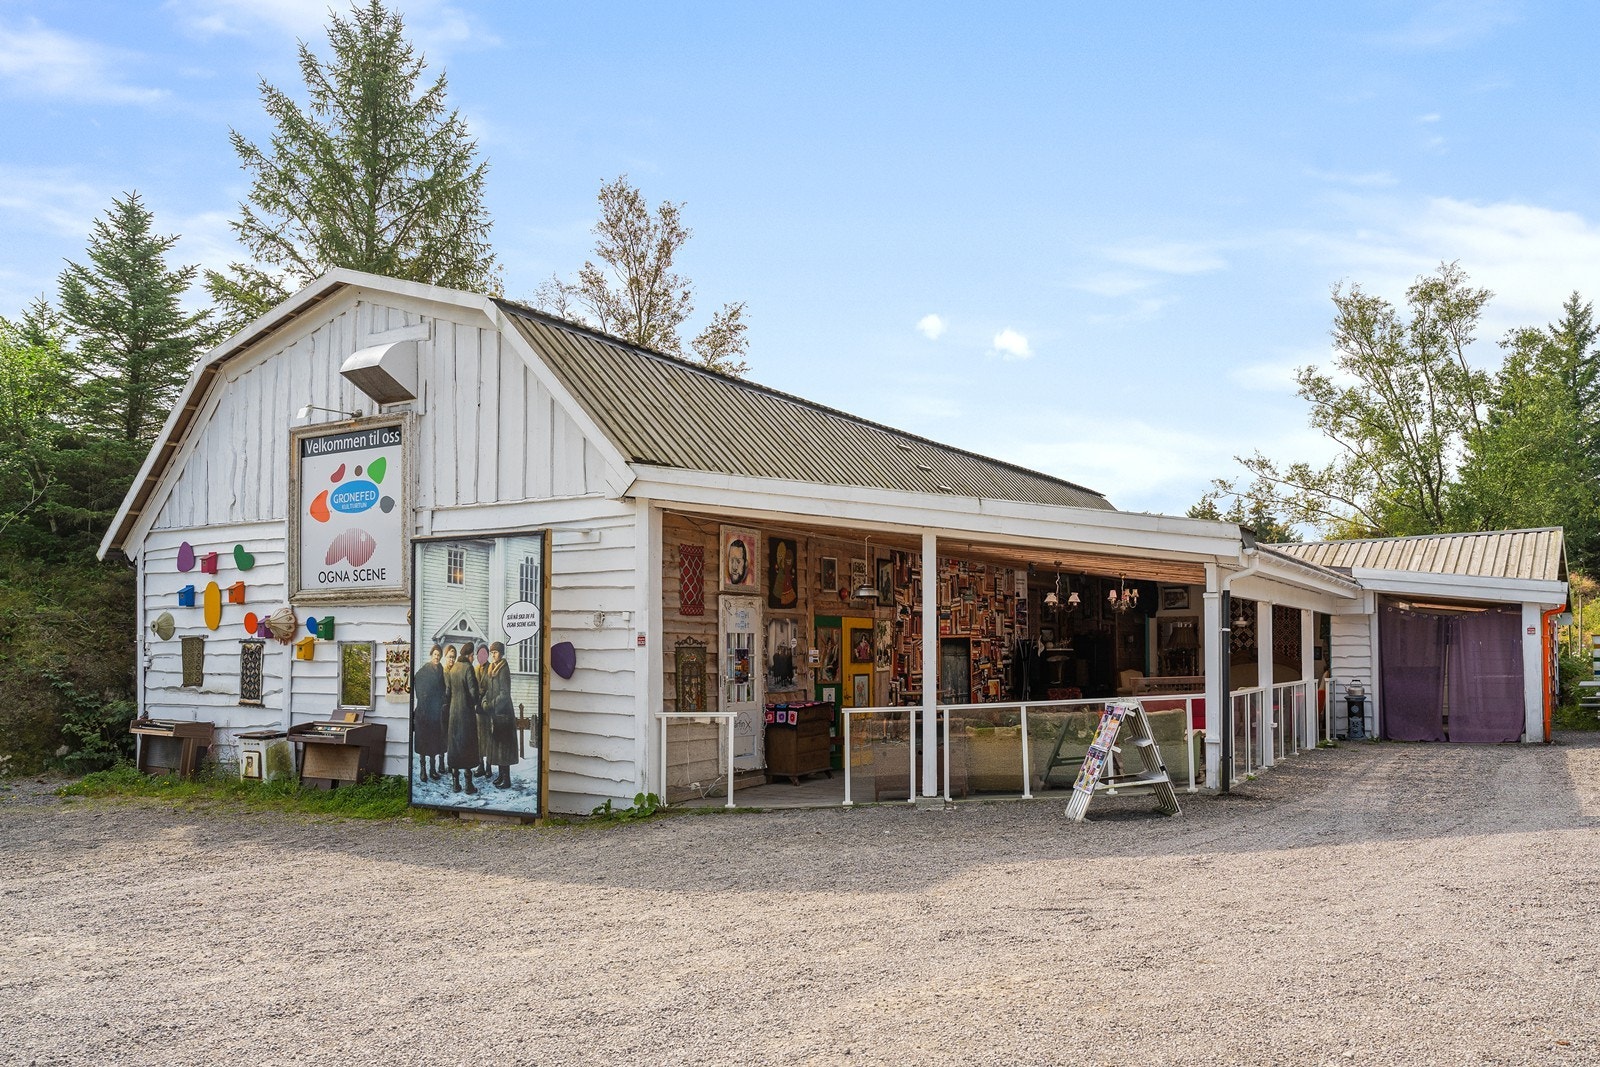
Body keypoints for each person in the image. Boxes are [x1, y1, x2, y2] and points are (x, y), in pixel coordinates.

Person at [444, 641, 481, 795]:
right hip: (466, 715)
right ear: (468, 655)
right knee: (467, 746)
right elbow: (473, 694)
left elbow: (448, 693)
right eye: (473, 656)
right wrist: (477, 699)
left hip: (453, 714)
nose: (474, 659)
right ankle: (468, 784)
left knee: (455, 747)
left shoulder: (453, 670)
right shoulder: (468, 668)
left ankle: (455, 783)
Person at [481, 641, 517, 788]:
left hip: (504, 713)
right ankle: (501, 775)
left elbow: (504, 694)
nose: (493, 655)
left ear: (501, 653)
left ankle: (506, 779)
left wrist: (491, 704)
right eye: (492, 652)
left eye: (495, 652)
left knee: (504, 747)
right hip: (495, 713)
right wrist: (484, 701)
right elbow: (488, 689)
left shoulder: (503, 669)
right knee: (497, 746)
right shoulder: (491, 668)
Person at [412, 644, 447, 781]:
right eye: (435, 655)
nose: (437, 657)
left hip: (435, 713)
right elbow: (420, 692)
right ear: (431, 655)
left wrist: (442, 700)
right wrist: (427, 699)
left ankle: (432, 770)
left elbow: (443, 689)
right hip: (423, 713)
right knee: (423, 743)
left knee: (433, 743)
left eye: (439, 655)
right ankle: (423, 771)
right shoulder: (423, 672)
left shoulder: (440, 670)